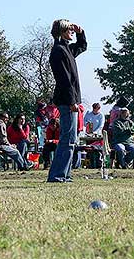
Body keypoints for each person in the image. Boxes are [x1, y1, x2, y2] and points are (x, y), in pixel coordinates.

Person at [47, 19, 87, 183]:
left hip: (70, 99)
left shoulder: (67, 49)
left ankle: (64, 174)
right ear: (62, 31)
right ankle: (58, 175)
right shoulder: (58, 51)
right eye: (69, 29)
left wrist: (81, 32)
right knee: (67, 139)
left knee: (71, 139)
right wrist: (72, 101)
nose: (72, 31)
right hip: (67, 100)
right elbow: (64, 79)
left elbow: (82, 46)